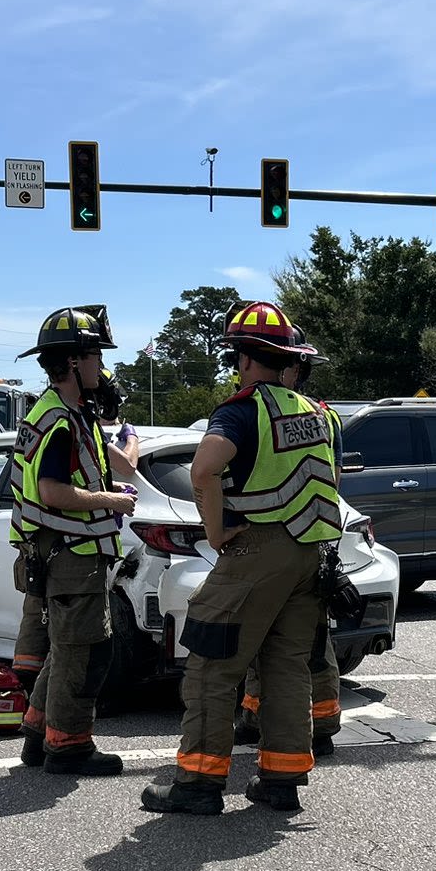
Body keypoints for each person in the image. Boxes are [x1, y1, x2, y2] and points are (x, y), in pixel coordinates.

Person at [142, 301, 339, 816]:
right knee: (287, 666)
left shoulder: (240, 410)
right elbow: (329, 483)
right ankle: (281, 780)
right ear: (287, 357)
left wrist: (216, 531)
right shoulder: (321, 415)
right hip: (310, 555)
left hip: (255, 551)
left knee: (211, 665)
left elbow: (204, 470)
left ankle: (198, 785)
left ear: (245, 359)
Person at [9, 306, 138, 776]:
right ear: (75, 362)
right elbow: (52, 492)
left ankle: (39, 735)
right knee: (85, 652)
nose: (101, 369)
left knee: (67, 649)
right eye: (96, 358)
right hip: (72, 554)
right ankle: (69, 746)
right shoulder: (61, 419)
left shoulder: (62, 412)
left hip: (60, 552)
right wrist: (112, 500)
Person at [236, 338, 345, 754]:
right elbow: (333, 480)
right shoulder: (323, 417)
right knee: (300, 639)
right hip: (312, 540)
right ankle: (282, 718)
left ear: (294, 369)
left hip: (279, 541)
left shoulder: (268, 411)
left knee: (294, 641)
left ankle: (311, 722)